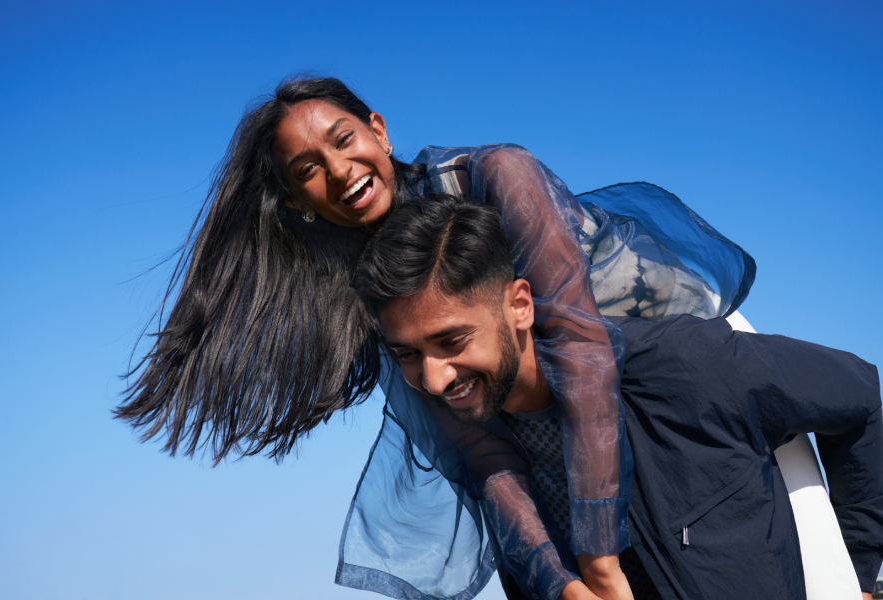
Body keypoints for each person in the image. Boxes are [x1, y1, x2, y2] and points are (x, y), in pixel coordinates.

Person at [114, 76, 843, 598]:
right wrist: (564, 584)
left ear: (378, 128)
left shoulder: (496, 174)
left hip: (675, 365)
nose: (340, 173)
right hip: (531, 402)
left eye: (343, 141)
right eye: (308, 170)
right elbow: (476, 448)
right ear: (297, 200)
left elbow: (583, 348)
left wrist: (599, 565)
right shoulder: (374, 289)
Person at [354, 194, 883, 600]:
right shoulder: (498, 477)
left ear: (519, 304)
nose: (435, 378)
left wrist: (854, 576)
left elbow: (862, 396)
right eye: (407, 354)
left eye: (452, 341)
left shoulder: (683, 368)